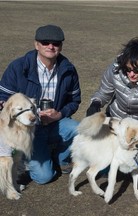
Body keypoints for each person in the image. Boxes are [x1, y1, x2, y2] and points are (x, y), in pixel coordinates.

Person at [0, 24, 81, 184]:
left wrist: (59, 114)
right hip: (27, 129)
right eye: (45, 42)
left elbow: (74, 101)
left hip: (55, 123)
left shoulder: (68, 69)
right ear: (36, 44)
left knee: (79, 129)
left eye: (56, 43)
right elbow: (3, 96)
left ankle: (60, 158)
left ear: (61, 46)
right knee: (44, 177)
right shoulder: (18, 67)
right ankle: (27, 155)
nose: (51, 46)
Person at [86, 37, 138, 184]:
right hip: (117, 119)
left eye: (137, 70)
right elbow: (104, 93)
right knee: (105, 165)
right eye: (128, 69)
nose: (131, 74)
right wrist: (96, 103)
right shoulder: (115, 70)